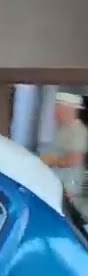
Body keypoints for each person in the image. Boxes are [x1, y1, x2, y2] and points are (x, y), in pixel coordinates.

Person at [41, 92, 88, 220]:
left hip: (70, 188)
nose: (56, 113)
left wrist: (52, 160)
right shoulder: (63, 130)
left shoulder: (77, 131)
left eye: (59, 109)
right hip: (60, 185)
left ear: (69, 110)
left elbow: (75, 159)